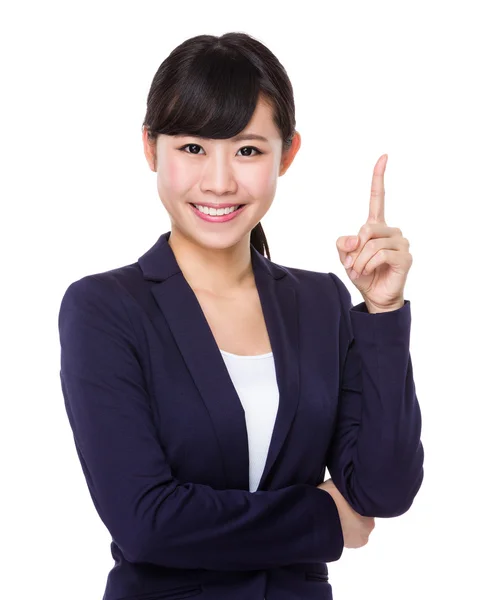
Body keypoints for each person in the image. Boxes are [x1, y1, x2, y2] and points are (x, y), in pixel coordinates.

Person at [58, 32, 424, 600]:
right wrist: (323, 519)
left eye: (248, 150)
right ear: (152, 149)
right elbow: (146, 523)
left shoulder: (322, 304)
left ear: (288, 153)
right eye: (193, 148)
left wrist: (382, 312)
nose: (220, 181)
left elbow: (384, 490)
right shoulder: (105, 310)